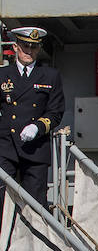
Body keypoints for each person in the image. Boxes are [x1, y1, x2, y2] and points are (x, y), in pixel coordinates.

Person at [0, 26, 65, 208]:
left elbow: (56, 112)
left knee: (35, 205)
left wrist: (37, 126)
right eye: (25, 45)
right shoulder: (2, 75)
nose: (29, 51)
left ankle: (35, 237)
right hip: (6, 147)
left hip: (35, 148)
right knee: (2, 202)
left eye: (33, 47)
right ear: (15, 47)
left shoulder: (50, 76)